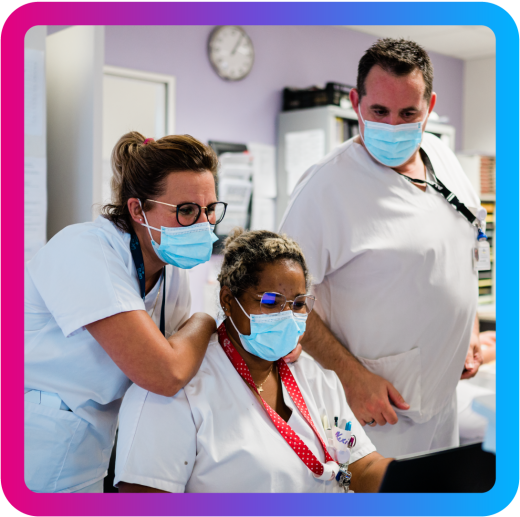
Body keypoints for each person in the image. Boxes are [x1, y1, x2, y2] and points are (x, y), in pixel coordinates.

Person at [279, 38, 485, 458]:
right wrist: (351, 376)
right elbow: (281, 298)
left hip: (441, 400)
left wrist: (469, 332)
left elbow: (463, 252)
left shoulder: (442, 157)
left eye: (408, 113)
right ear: (356, 103)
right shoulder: (325, 187)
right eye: (379, 112)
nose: (393, 126)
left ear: (429, 106)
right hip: (372, 410)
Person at [114, 229, 392, 493]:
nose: (287, 316)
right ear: (228, 300)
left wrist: (412, 476)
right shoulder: (176, 392)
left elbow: (361, 467)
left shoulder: (316, 379)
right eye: (270, 302)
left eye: (298, 304)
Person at [24, 132, 225, 493]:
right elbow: (165, 372)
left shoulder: (170, 269)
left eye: (209, 209)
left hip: (94, 441)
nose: (204, 224)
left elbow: (185, 354)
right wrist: (206, 318)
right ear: (136, 209)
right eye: (186, 211)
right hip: (36, 440)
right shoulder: (85, 250)